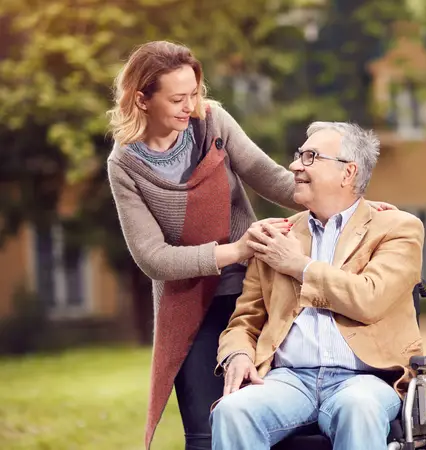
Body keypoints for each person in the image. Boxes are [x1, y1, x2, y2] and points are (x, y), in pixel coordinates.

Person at [105, 41, 394, 450]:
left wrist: (350, 201)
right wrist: (237, 250)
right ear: (142, 100)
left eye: (195, 93)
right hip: (190, 302)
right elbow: (153, 258)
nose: (191, 106)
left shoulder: (212, 123)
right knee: (206, 432)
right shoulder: (125, 165)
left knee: (282, 409)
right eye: (177, 99)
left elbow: (269, 176)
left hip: (255, 284)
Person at [210, 121, 425, 450]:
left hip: (364, 379)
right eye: (298, 155)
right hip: (288, 379)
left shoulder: (397, 228)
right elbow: (246, 320)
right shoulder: (277, 236)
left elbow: (369, 298)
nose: (295, 165)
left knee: (359, 408)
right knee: (232, 411)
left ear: (347, 172)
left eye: (310, 157)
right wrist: (237, 354)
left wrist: (298, 266)